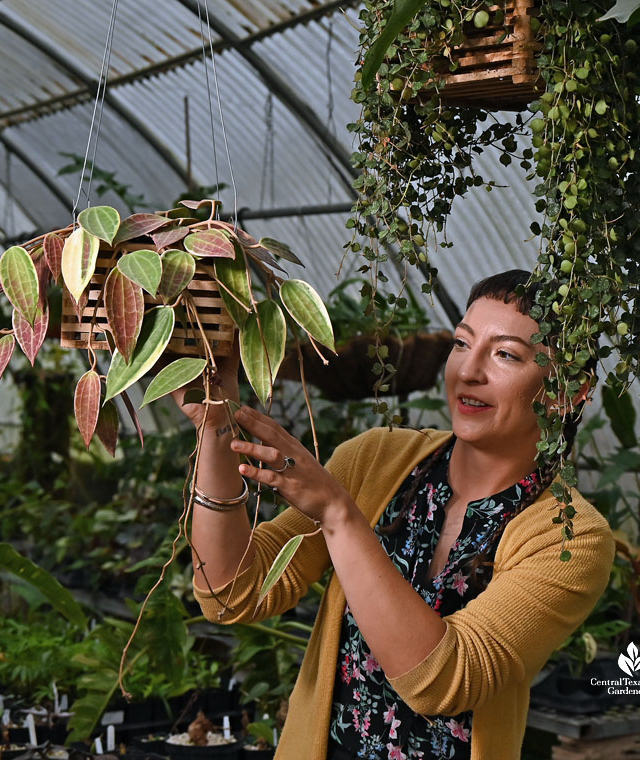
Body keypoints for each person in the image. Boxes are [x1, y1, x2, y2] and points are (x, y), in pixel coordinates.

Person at [173, 270, 615, 760]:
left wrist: (340, 516)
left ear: (569, 389)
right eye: (461, 344)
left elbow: (445, 681)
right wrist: (215, 427)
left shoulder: (571, 537)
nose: (469, 371)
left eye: (506, 354)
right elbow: (233, 593)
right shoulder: (375, 460)